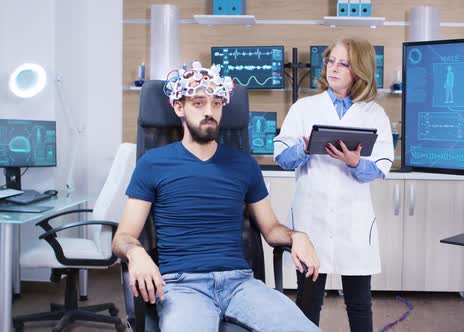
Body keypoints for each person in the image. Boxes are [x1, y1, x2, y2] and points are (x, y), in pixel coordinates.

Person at [112, 61, 321, 332]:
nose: (209, 112)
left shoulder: (244, 164)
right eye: (198, 103)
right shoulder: (153, 163)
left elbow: (271, 229)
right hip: (182, 286)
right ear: (179, 108)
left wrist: (297, 237)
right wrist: (136, 252)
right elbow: (122, 237)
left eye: (216, 104)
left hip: (241, 285)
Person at [273, 38, 395, 332]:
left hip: (354, 221)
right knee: (308, 301)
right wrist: (303, 149)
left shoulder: (374, 114)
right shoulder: (305, 108)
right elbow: (281, 157)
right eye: (331, 61)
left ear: (360, 71)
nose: (334, 68)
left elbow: (380, 168)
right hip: (311, 220)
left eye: (344, 64)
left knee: (359, 302)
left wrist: (355, 162)